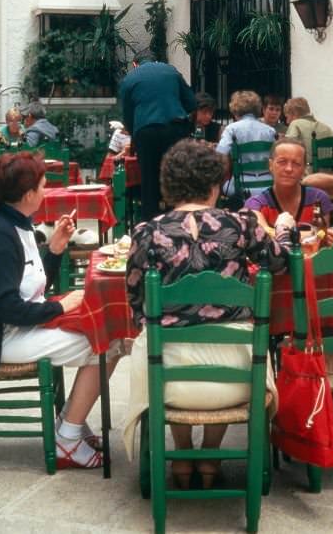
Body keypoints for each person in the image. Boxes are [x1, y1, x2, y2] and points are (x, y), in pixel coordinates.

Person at [123, 140, 289, 486]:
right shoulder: (242, 224)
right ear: (215, 184)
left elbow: (137, 305)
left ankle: (183, 456)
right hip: (239, 381)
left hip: (167, 383)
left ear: (168, 185)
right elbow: (279, 262)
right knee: (234, 339)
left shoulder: (146, 232)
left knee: (161, 342)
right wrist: (285, 228)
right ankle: (210, 457)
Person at [0, 151, 118, 469]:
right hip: (0, 340)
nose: (46, 193)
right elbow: (9, 308)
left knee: (107, 335)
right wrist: (59, 305)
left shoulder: (16, 224)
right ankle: (68, 436)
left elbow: (29, 285)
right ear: (29, 194)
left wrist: (56, 249)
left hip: (20, 327)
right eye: (43, 187)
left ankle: (68, 423)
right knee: (108, 343)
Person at [118, 49, 196, 220]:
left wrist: (134, 140)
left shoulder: (129, 79)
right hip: (175, 129)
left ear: (135, 64)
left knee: (149, 180)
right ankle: (179, 220)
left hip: (146, 132)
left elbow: (128, 117)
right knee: (176, 175)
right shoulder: (171, 71)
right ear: (156, 60)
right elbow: (191, 103)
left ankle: (151, 225)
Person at [245, 137, 333, 229]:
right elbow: (261, 234)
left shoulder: (317, 199)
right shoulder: (257, 204)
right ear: (270, 165)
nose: (289, 169)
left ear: (304, 168)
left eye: (296, 163)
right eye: (282, 162)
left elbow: (322, 236)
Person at [215, 90, 277, 197]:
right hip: (269, 185)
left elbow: (220, 155)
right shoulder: (270, 130)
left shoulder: (231, 129)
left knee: (222, 185)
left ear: (235, 110)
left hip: (242, 186)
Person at [283, 97, 332, 168]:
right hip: (327, 174)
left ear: (294, 113)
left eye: (287, 117)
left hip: (306, 174)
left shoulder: (295, 124)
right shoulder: (327, 129)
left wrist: (281, 140)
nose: (287, 121)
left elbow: (287, 150)